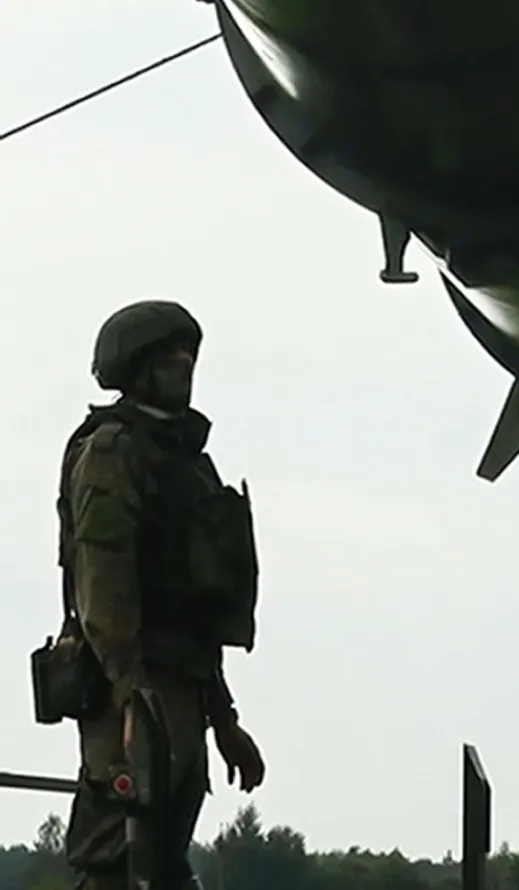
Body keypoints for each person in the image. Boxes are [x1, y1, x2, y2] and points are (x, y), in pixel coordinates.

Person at [59, 299, 268, 889]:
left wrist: (223, 718)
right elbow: (103, 584)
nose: (184, 363)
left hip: (182, 689)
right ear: (136, 367)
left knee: (165, 865)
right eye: (168, 354)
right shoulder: (112, 452)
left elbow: (198, 606)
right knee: (117, 861)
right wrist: (131, 696)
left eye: (188, 352)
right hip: (132, 689)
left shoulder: (188, 462)